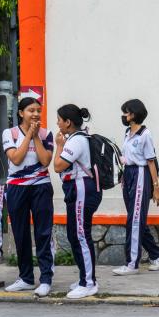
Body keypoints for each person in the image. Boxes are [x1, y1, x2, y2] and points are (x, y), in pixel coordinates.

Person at [0, 97, 55, 296]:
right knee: (20, 233)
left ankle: (46, 279)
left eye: (38, 110)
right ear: (21, 113)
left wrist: (36, 136)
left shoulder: (47, 134)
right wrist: (28, 134)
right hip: (16, 188)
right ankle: (26, 278)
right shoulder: (10, 133)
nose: (36, 114)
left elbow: (46, 161)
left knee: (43, 233)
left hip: (41, 187)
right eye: (31, 110)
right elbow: (16, 158)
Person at [112, 99, 159, 276]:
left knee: (134, 221)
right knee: (135, 219)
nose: (124, 116)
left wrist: (156, 188)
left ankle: (131, 263)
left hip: (141, 174)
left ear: (134, 114)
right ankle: (157, 256)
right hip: (128, 175)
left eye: (126, 112)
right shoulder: (127, 132)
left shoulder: (145, 134)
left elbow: (150, 162)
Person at [53, 104, 102, 300]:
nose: (57, 123)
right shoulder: (79, 138)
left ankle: (89, 283)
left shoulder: (76, 141)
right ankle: (85, 277)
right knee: (75, 235)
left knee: (81, 235)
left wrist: (59, 146)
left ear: (68, 122)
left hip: (82, 189)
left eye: (59, 119)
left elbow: (58, 166)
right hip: (79, 189)